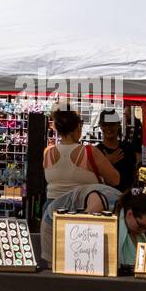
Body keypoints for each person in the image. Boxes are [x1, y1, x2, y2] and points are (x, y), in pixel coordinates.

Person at [41, 107, 120, 260]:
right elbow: (115, 179)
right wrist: (105, 163)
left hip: (51, 210)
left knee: (54, 261)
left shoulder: (48, 152)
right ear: (78, 127)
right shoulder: (89, 152)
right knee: (82, 260)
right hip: (82, 209)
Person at [96, 109, 138, 193]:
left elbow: (132, 176)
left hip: (124, 198)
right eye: (105, 124)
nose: (108, 128)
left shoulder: (128, 148)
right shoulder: (96, 151)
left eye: (112, 124)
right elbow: (93, 179)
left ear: (118, 125)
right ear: (100, 126)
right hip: (102, 198)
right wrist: (107, 163)